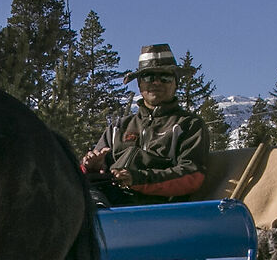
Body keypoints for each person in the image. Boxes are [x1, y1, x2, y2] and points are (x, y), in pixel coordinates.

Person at [81, 43, 210, 205]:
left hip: (160, 211)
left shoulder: (189, 125)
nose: (156, 83)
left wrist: (137, 179)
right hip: (109, 204)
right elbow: (90, 176)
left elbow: (192, 176)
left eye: (165, 77)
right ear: (139, 83)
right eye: (148, 77)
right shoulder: (118, 127)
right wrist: (91, 168)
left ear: (176, 83)